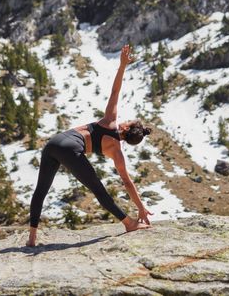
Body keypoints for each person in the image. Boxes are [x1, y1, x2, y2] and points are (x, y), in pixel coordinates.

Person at [26, 44, 153, 247]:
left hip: (55, 142)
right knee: (98, 190)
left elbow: (115, 90)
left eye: (128, 121)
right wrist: (140, 207)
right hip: (70, 149)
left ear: (127, 127)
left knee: (41, 190)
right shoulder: (117, 152)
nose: (125, 120)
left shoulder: (110, 120)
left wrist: (122, 66)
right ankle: (129, 223)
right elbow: (128, 183)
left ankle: (32, 238)